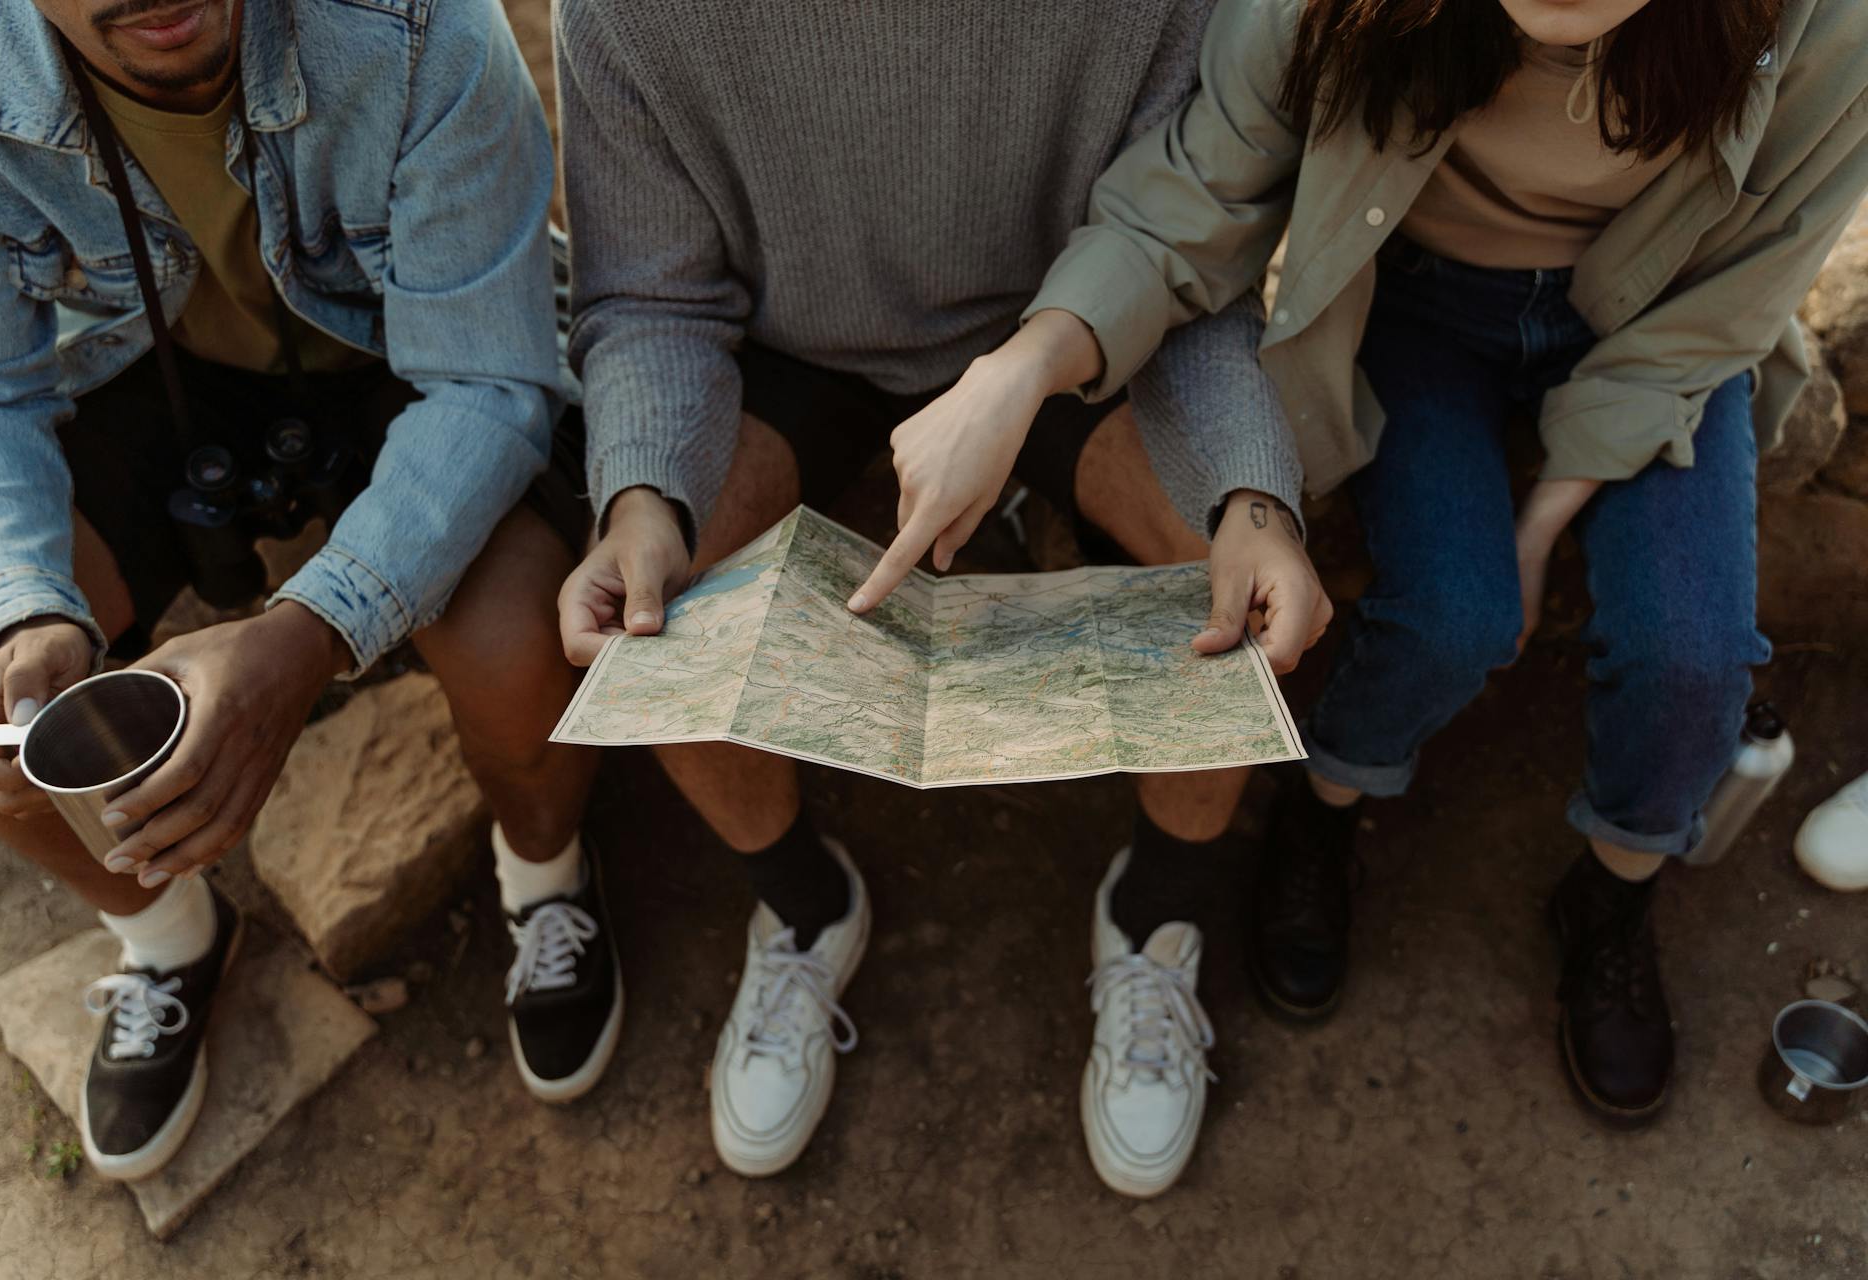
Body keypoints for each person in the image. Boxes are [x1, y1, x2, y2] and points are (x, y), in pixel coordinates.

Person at [897, 0, 1868, 1128]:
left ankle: (1613, 895)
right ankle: (1323, 807)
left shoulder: (1822, 22)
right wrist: (1017, 373)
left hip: (1661, 330)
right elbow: (1193, 202)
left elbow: (1733, 297)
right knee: (1449, 616)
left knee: (1693, 659)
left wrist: (1542, 522)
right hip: (1420, 309)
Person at [554, 0, 1331, 1193]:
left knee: (1220, 563)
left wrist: (1252, 497)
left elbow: (1195, 254)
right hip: (786, 342)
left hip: (1083, 319)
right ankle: (805, 904)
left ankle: (1156, 914)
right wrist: (642, 497)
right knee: (654, 602)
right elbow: (649, 296)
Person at [0, 0, 619, 1179]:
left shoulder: (422, 31)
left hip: (407, 361)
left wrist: (315, 627)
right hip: (145, 368)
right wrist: (20, 607)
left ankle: (547, 873)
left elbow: (483, 387)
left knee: (519, 643)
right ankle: (167, 933)